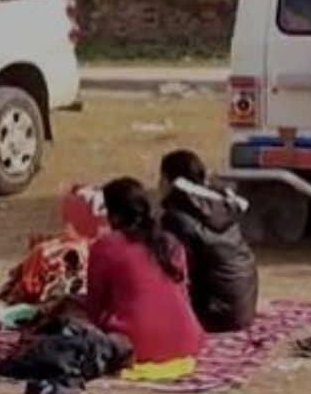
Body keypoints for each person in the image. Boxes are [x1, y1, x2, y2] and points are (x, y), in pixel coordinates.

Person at [84, 177, 203, 363]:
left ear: (114, 215)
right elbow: (182, 293)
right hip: (187, 341)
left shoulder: (106, 245)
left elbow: (94, 305)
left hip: (138, 346)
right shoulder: (171, 243)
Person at [158, 150, 259, 333]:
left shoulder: (176, 218)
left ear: (167, 180)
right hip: (243, 306)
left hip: (214, 314)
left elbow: (173, 269)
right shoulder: (222, 205)